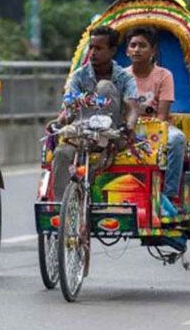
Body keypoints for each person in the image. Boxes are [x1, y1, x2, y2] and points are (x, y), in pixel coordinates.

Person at [50, 26, 139, 200]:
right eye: (91, 47)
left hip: (112, 136)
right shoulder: (78, 76)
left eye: (98, 48)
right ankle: (63, 211)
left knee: (104, 86)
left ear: (112, 50)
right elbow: (69, 106)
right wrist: (59, 121)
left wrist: (129, 125)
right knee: (61, 154)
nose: (92, 52)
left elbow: (132, 106)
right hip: (81, 134)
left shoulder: (124, 77)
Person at [123, 26, 185, 215]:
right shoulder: (121, 76)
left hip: (155, 127)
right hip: (128, 126)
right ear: (127, 50)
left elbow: (162, 116)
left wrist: (151, 134)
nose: (137, 50)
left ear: (153, 51)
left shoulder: (164, 75)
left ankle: (171, 195)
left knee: (177, 139)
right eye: (133, 45)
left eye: (142, 45)